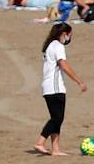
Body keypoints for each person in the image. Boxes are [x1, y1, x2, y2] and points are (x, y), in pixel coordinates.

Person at [33, 22, 87, 156]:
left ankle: (55, 148)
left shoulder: (49, 45)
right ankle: (40, 142)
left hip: (47, 87)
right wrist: (79, 81)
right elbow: (63, 65)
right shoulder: (58, 46)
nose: (69, 38)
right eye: (69, 35)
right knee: (57, 118)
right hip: (55, 87)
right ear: (64, 34)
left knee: (57, 118)